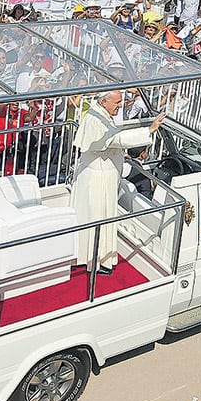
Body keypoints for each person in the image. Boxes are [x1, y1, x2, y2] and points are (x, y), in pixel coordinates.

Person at [70, 90, 164, 274]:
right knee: (98, 218)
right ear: (104, 102)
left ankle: (87, 255)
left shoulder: (101, 112)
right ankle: (95, 259)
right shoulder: (96, 118)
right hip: (98, 179)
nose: (121, 105)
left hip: (97, 175)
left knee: (92, 217)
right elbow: (115, 139)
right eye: (117, 102)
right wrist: (149, 130)